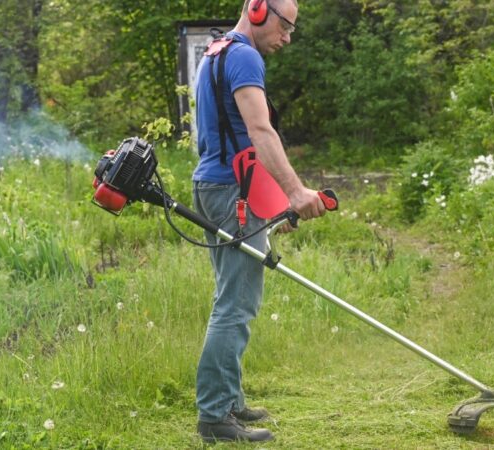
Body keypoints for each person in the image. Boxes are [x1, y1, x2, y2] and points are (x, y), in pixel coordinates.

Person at [191, 0, 326, 443]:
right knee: (235, 305)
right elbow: (258, 132)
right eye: (285, 26)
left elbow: (230, 140)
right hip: (231, 192)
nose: (287, 37)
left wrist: (270, 204)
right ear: (256, 9)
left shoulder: (216, 51)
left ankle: (229, 400)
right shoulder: (245, 55)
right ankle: (214, 417)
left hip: (217, 186)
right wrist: (294, 192)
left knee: (230, 295)